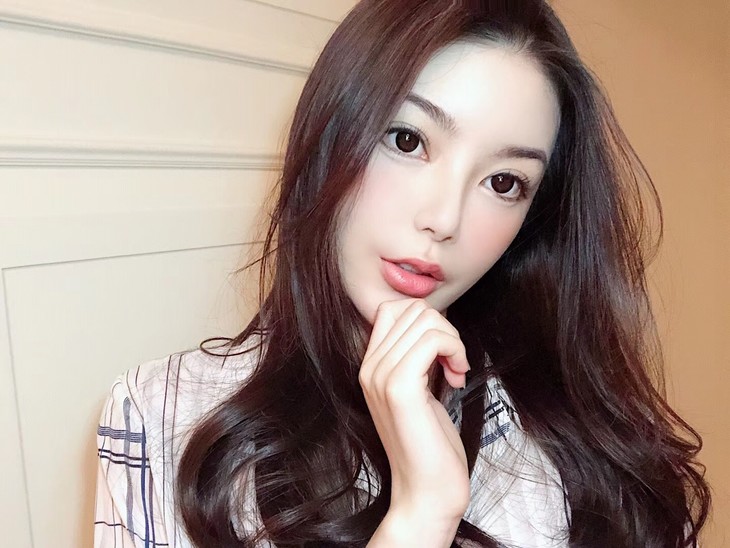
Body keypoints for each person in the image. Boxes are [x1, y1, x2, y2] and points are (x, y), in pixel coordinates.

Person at [93, 1, 711, 546]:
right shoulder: (161, 416)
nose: (443, 219)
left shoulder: (586, 452)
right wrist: (421, 517)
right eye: (408, 141)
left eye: (504, 182)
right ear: (331, 132)